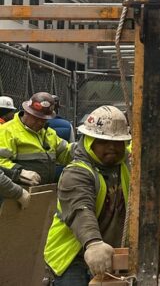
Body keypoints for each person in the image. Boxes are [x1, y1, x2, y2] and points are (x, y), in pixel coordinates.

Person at [44, 105, 131, 285]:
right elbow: (80, 209)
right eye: (103, 141)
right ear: (89, 140)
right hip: (74, 256)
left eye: (117, 142)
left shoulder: (125, 165)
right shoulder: (76, 173)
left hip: (109, 252)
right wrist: (93, 243)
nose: (112, 147)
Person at [0, 91, 72, 186]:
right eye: (36, 118)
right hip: (16, 194)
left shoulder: (48, 133)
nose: (40, 123)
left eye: (44, 120)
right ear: (26, 112)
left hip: (42, 191)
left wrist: (83, 148)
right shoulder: (7, 131)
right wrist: (19, 173)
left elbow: (65, 153)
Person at [48, 96, 76, 180]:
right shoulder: (67, 125)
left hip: (43, 168)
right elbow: (71, 145)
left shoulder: (38, 123)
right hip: (61, 170)